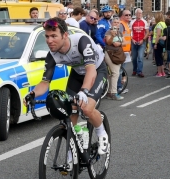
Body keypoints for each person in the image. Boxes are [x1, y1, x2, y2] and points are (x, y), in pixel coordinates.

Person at [23, 18, 109, 156]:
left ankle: (101, 133)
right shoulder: (52, 55)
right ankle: (73, 148)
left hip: (97, 71)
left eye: (54, 36)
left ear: (65, 35)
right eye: (47, 36)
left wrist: (84, 91)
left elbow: (91, 71)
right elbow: (45, 83)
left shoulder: (81, 41)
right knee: (69, 112)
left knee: (86, 108)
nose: (49, 40)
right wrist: (32, 94)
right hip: (77, 74)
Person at [104, 17, 125, 100]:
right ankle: (113, 93)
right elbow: (108, 42)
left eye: (118, 22)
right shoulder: (108, 32)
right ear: (112, 24)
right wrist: (112, 37)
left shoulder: (120, 33)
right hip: (110, 53)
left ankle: (109, 92)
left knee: (111, 74)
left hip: (118, 53)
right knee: (115, 73)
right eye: (115, 22)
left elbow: (123, 43)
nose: (116, 24)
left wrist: (118, 43)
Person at [130, 8, 149, 78]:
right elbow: (130, 32)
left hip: (142, 42)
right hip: (134, 41)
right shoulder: (132, 22)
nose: (139, 15)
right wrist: (132, 39)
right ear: (135, 14)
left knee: (140, 57)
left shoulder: (144, 22)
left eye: (140, 13)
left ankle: (140, 71)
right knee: (134, 57)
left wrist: (143, 39)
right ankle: (134, 69)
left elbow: (147, 32)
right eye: (138, 13)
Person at [153, 12, 167, 77]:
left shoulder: (158, 24)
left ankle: (159, 73)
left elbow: (158, 34)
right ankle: (163, 72)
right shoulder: (164, 24)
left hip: (158, 42)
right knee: (161, 57)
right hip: (162, 43)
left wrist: (155, 44)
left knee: (158, 58)